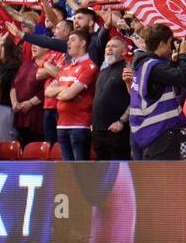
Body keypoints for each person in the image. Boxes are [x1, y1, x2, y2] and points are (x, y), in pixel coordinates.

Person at [128, 23, 186, 161]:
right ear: (162, 44)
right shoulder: (154, 67)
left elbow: (162, 83)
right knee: (166, 181)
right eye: (170, 43)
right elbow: (185, 77)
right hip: (161, 133)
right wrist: (182, 54)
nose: (172, 47)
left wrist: (172, 63)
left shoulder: (142, 64)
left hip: (148, 133)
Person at [49, 31, 100, 160]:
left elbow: (69, 95)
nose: (68, 43)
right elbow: (48, 92)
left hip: (79, 125)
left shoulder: (89, 66)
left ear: (82, 43)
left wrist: (63, 92)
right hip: (61, 125)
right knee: (69, 171)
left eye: (72, 39)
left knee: (80, 172)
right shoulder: (66, 68)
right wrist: (65, 89)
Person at [92, 33, 132, 160]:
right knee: (103, 175)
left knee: (120, 173)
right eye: (107, 46)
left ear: (124, 50)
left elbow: (135, 99)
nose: (109, 49)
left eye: (114, 46)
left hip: (118, 131)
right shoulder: (103, 71)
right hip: (98, 131)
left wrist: (121, 121)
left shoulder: (127, 70)